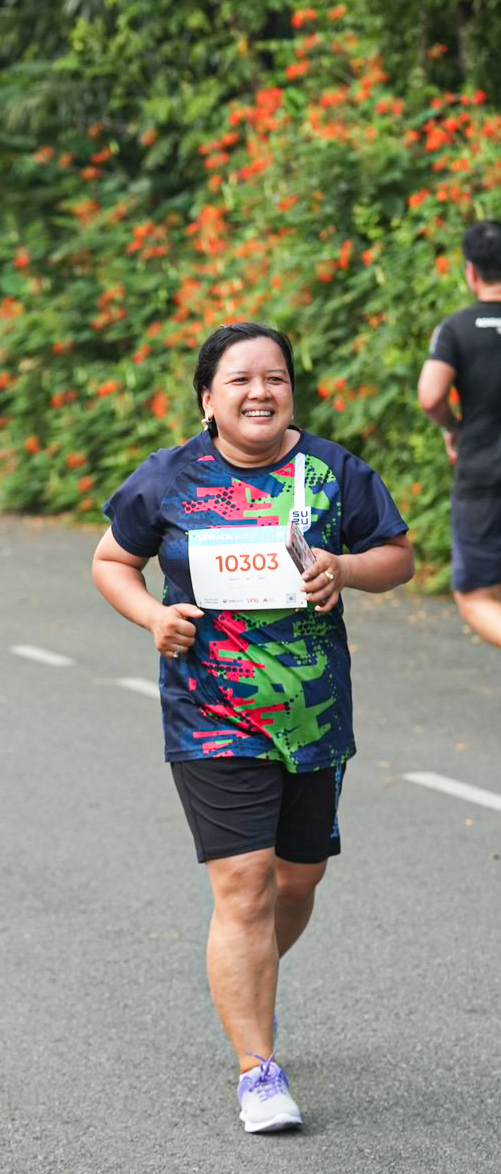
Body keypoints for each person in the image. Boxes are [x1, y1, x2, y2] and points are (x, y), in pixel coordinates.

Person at [92, 322, 414, 1133]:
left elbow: (397, 555)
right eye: (238, 380)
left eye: (273, 378)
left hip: (312, 714)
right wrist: (151, 616)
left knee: (295, 882)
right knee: (242, 885)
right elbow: (109, 560)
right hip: (209, 715)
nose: (258, 393)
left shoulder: (331, 471)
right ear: (207, 398)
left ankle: (243, 972)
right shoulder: (166, 479)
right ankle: (256, 1070)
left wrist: (343, 568)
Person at [418, 219, 501, 648]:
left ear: (471, 271)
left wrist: (453, 429)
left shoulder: (457, 328)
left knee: (474, 597)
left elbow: (431, 395)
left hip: (484, 478)